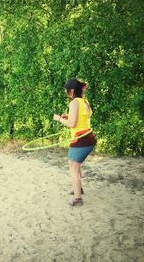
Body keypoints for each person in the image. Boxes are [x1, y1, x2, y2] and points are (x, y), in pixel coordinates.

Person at [53, 78, 97, 207]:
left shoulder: (73, 103)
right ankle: (79, 189)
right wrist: (69, 116)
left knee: (73, 167)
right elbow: (84, 117)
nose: (66, 92)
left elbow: (72, 124)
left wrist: (59, 119)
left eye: (67, 90)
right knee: (73, 164)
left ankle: (78, 199)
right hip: (88, 137)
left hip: (80, 139)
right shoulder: (84, 101)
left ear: (71, 90)